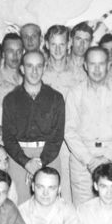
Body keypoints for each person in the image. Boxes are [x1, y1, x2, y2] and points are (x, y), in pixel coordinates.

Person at [65, 46, 112, 206]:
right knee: (83, 214)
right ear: (85, 66)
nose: (96, 69)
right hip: (83, 162)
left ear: (108, 65)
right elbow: (69, 131)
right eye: (92, 64)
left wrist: (106, 158)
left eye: (101, 64)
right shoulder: (75, 93)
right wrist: (90, 160)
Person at [2, 50, 65, 203]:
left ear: (44, 68)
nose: (34, 71)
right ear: (22, 69)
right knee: (20, 206)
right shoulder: (11, 99)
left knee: (50, 204)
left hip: (49, 156)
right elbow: (8, 138)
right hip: (19, 158)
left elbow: (57, 136)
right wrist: (26, 163)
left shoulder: (56, 98)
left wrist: (41, 162)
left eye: (39, 66)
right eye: (30, 66)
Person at [42, 24, 83, 202]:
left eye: (61, 44)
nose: (57, 49)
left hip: (70, 142)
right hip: (46, 140)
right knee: (47, 187)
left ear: (69, 44)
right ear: (46, 44)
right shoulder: (39, 72)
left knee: (70, 189)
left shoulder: (80, 75)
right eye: (53, 44)